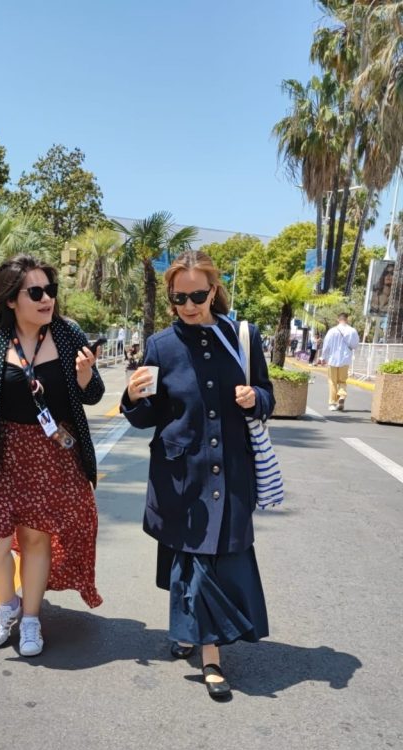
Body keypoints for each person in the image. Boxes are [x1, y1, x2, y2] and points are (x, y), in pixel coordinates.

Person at [120, 250, 275, 698]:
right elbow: (146, 417)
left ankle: (208, 654)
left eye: (198, 296)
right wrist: (132, 397)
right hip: (179, 474)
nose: (188, 306)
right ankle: (199, 641)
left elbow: (268, 395)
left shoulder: (242, 337)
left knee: (213, 561)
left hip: (230, 472)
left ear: (214, 290)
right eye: (178, 298)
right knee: (189, 558)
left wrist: (256, 399)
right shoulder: (160, 346)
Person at [0, 254, 104, 657]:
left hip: (51, 454)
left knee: (35, 538)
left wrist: (85, 376)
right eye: (36, 292)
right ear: (12, 299)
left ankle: (30, 618)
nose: (46, 298)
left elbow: (93, 393)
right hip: (0, 451)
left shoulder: (67, 333)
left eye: (50, 290)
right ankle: (7, 604)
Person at [321, 312, 359, 411]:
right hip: (345, 360)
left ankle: (332, 403)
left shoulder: (332, 331)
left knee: (332, 382)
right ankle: (342, 396)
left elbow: (326, 345)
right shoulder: (352, 331)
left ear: (338, 320)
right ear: (347, 319)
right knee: (342, 381)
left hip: (332, 360)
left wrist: (323, 357)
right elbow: (355, 345)